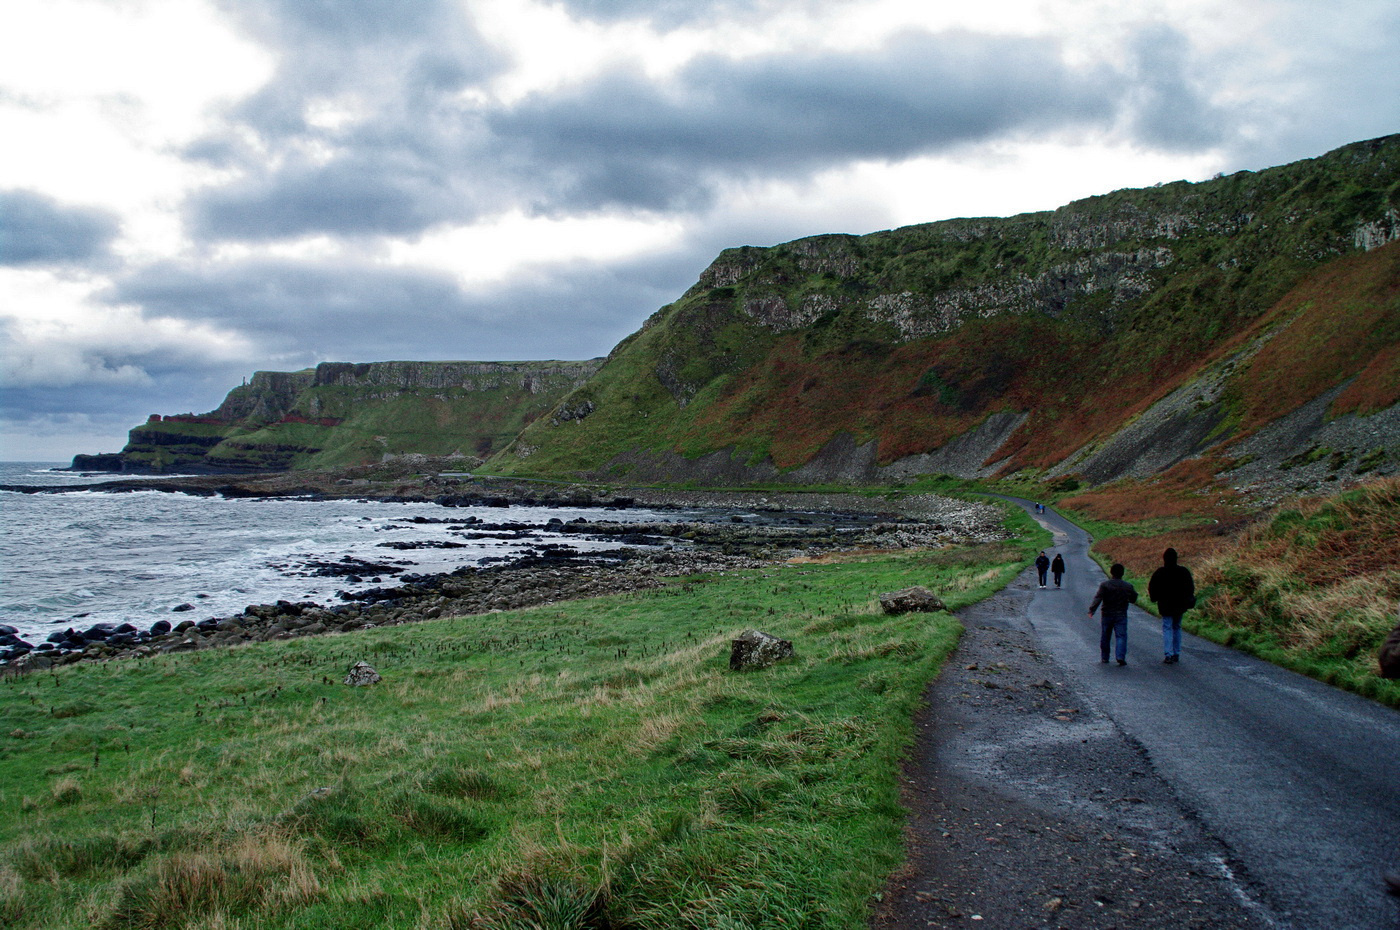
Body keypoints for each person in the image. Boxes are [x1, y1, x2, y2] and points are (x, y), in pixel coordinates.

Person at [1148, 547, 1196, 664]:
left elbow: (1152, 587)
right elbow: (1190, 588)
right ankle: (1176, 653)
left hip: (1165, 605)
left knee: (1167, 627)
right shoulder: (1183, 572)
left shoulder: (1160, 572)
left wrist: (1154, 598)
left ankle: (1168, 654)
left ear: (1164, 559)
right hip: (1180, 604)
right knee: (1177, 627)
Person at [1089, 563, 1137, 665]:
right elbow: (1134, 598)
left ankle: (1105, 657)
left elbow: (1098, 598)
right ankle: (1120, 656)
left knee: (1106, 635)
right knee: (1121, 636)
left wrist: (1092, 610)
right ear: (1122, 573)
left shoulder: (1105, 585)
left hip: (1107, 613)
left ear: (1111, 572)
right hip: (1121, 614)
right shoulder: (1127, 586)